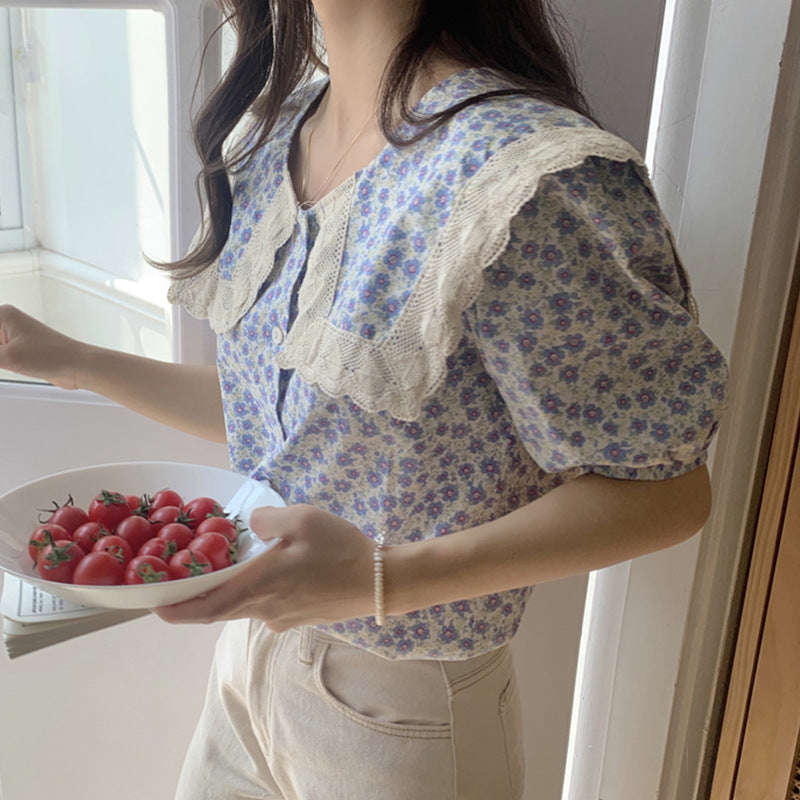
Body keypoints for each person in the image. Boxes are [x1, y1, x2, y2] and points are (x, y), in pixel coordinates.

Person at [0, 0, 729, 797]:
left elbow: (666, 493)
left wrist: (382, 578)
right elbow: (288, 420)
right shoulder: (283, 138)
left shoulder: (522, 176)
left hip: (402, 709)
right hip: (253, 666)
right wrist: (72, 360)